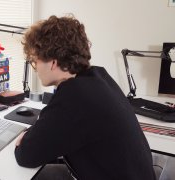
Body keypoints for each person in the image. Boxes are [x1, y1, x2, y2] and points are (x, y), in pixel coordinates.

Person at [14, 14, 156, 180]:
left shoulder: (74, 97)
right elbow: (54, 128)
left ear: (52, 62)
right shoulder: (98, 76)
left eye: (34, 61)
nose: (35, 68)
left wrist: (27, 138)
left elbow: (26, 155)